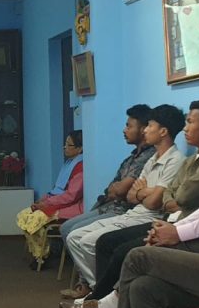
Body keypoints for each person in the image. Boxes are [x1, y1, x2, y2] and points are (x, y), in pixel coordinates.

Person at [59, 98, 199, 308]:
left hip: (196, 228)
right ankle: (104, 303)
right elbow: (163, 194)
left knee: (132, 253)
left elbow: (182, 197)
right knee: (110, 244)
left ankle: (106, 307)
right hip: (173, 220)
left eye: (190, 122)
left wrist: (168, 211)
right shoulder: (192, 158)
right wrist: (162, 199)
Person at [63, 105, 185, 291]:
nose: (145, 130)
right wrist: (145, 192)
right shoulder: (152, 159)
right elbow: (131, 196)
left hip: (149, 217)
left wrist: (142, 192)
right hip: (133, 213)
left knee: (88, 241)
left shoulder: (175, 160)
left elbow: (153, 202)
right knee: (74, 237)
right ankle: (99, 289)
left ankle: (101, 292)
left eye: (149, 126)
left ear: (163, 131)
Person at [58, 105, 154, 298]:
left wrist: (119, 190)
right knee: (66, 228)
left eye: (129, 126)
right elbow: (112, 188)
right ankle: (90, 283)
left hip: (123, 210)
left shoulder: (148, 157)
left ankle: (94, 287)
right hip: (108, 204)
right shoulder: (130, 158)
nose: (124, 130)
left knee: (76, 233)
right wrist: (117, 190)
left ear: (143, 128)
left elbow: (123, 191)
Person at [17, 131, 84, 268]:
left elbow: (71, 196)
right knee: (23, 215)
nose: (65, 147)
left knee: (35, 219)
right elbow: (56, 189)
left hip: (70, 207)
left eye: (69, 145)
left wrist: (46, 203)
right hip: (55, 202)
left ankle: (42, 256)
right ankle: (40, 251)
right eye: (65, 144)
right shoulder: (68, 164)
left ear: (80, 149)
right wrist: (42, 200)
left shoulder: (81, 167)